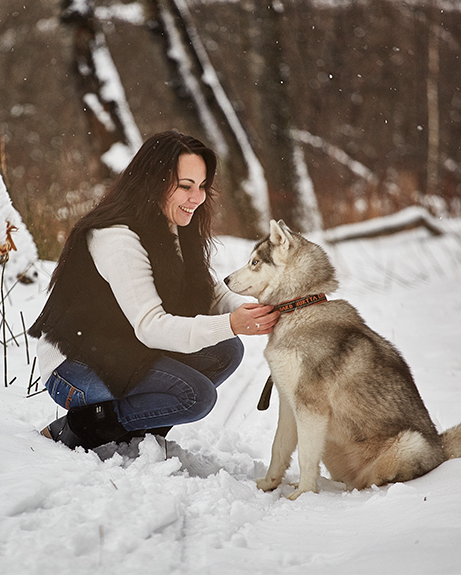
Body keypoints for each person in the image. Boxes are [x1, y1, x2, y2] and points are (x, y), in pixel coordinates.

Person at [28, 131, 278, 450]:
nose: (197, 198)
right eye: (185, 186)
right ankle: (81, 427)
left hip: (122, 349)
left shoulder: (171, 226)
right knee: (194, 396)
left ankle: (133, 434)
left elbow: (210, 294)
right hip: (75, 366)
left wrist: (263, 308)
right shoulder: (117, 238)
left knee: (226, 350)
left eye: (202, 187)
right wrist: (231, 324)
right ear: (154, 181)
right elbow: (151, 327)